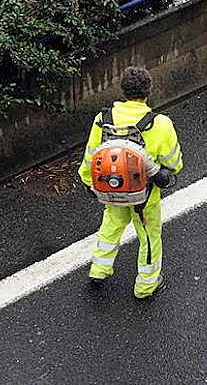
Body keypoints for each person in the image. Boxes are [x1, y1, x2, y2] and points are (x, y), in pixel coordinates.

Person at [77, 66, 183, 298]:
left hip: (110, 189)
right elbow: (174, 163)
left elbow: (91, 155)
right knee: (148, 237)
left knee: (111, 226)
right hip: (143, 196)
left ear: (122, 90)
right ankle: (146, 286)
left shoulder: (102, 119)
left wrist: (89, 183)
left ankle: (99, 269)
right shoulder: (161, 124)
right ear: (148, 91)